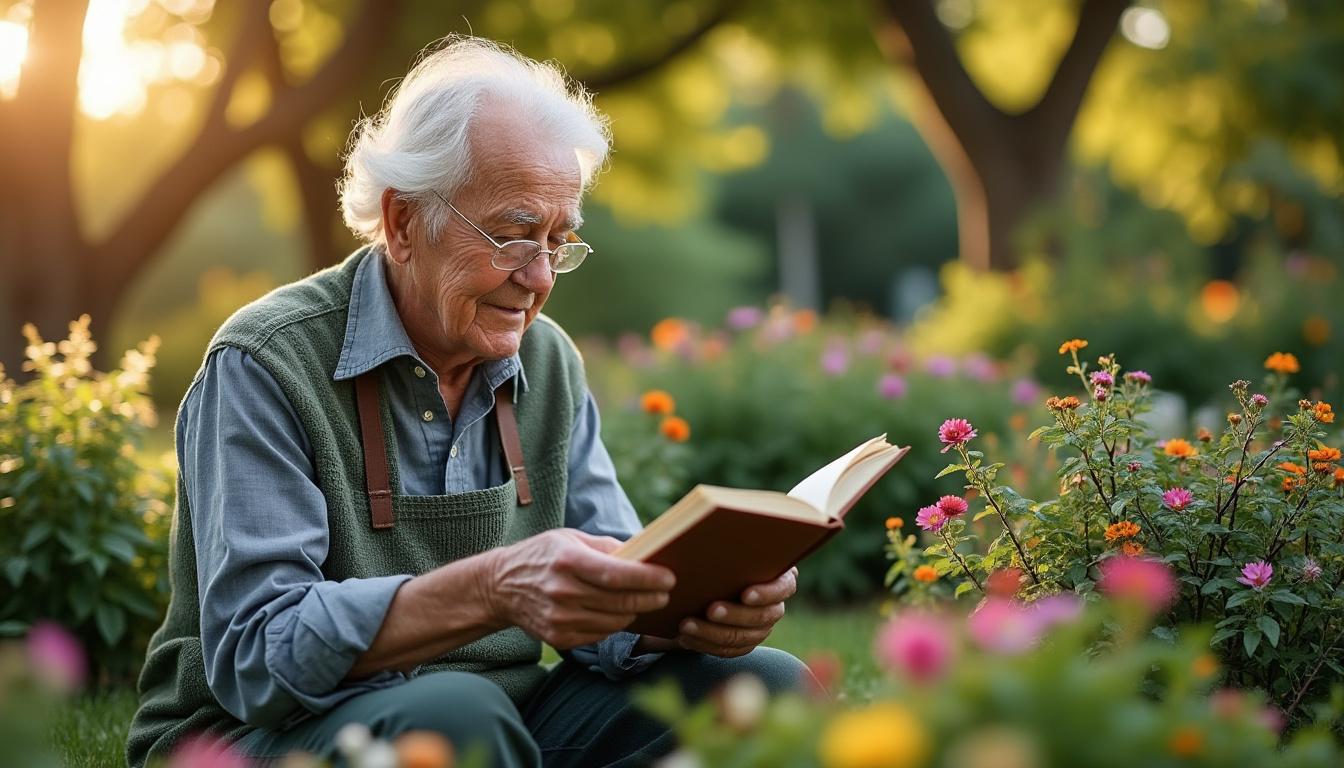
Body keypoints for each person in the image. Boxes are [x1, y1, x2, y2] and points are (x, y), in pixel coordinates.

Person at [127, 36, 809, 768]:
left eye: (559, 240)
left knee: (765, 685)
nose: (539, 277)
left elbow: (608, 599)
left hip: (497, 719)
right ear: (402, 223)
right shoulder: (266, 362)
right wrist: (493, 588)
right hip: (259, 734)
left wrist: (688, 614)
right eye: (514, 236)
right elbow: (257, 653)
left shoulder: (547, 362)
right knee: (453, 718)